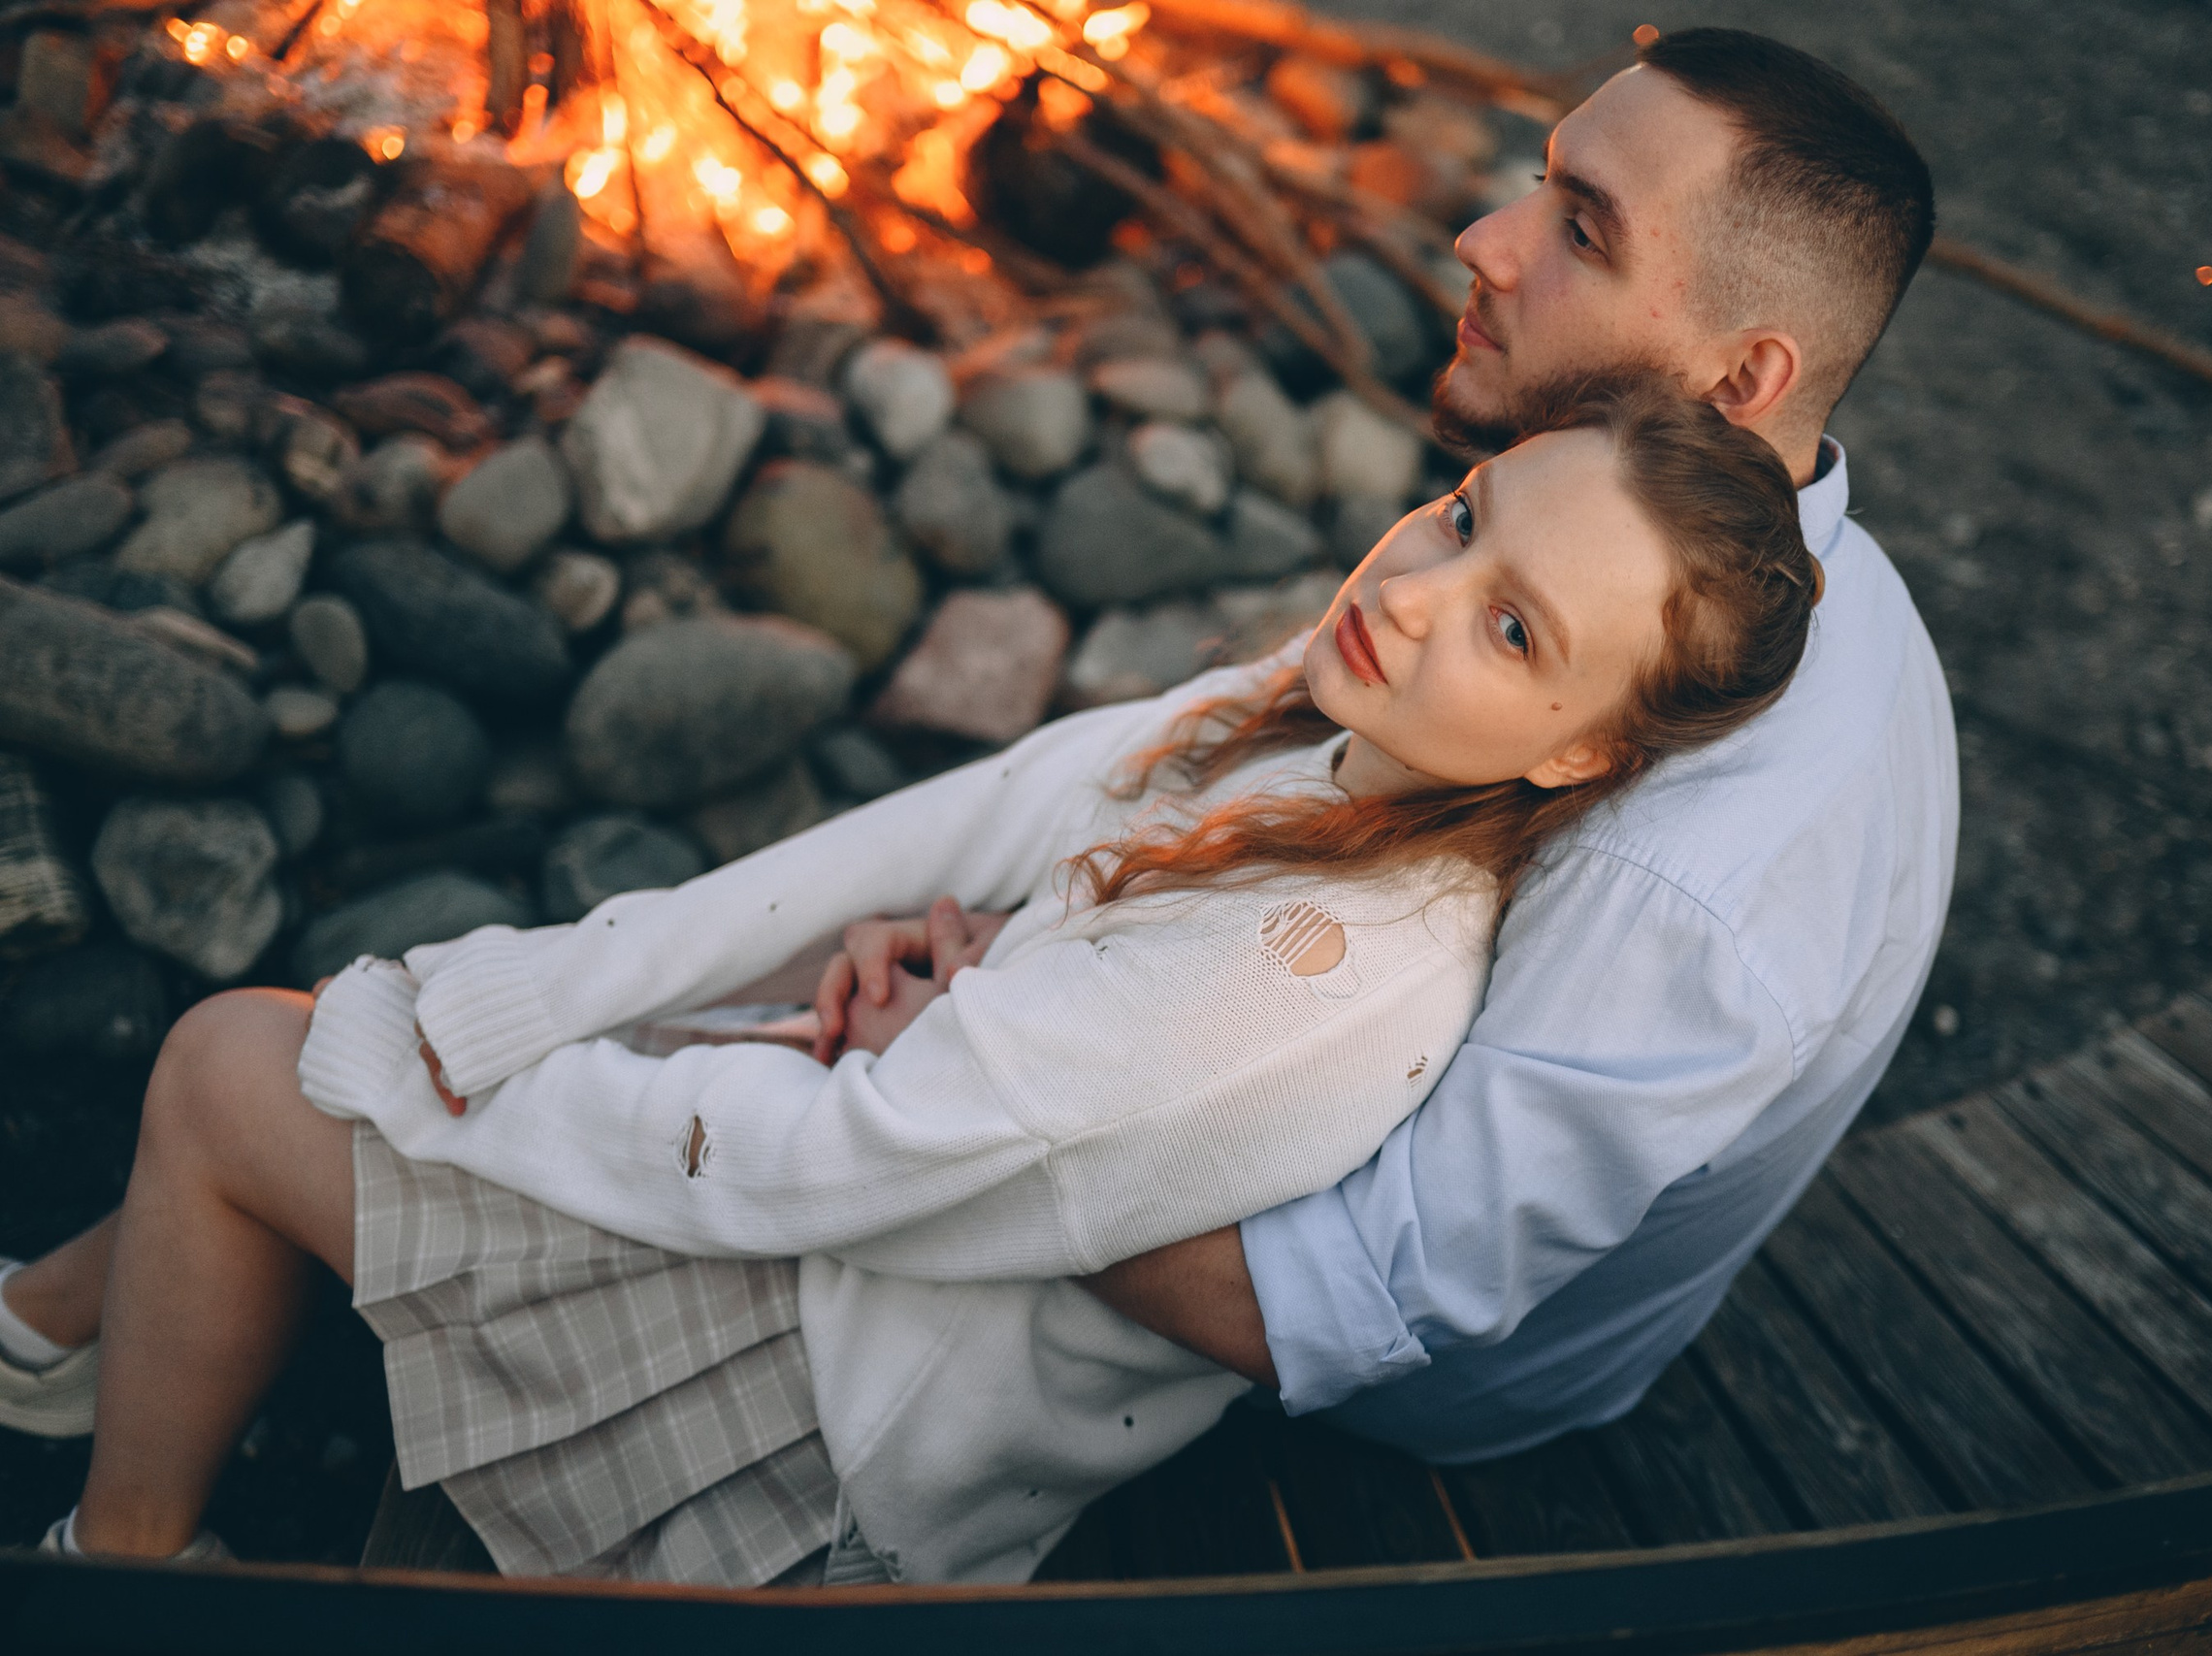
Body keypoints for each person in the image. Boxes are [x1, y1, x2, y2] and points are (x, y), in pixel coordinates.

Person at [0, 375, 1824, 1585]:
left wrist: (492, 1057)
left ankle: (122, 1568)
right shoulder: (1329, 735)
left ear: (1582, 754)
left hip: (834, 1382)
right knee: (368, 1051)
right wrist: (575, 983)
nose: (1421, 588)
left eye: (1518, 630)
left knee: (244, 1061)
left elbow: (862, 1156)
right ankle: (59, 1335)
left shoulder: (1325, 964)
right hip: (855, 1216)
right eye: (1463, 514)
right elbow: (979, 822)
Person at [870, 26, 1960, 1464]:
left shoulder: (1690, 877)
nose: (1482, 241)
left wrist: (934, 1079)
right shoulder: (1722, 546)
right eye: (1541, 182)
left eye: (1582, 232)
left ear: (1739, 382)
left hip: (1369, 1415)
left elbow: (1335, 1306)